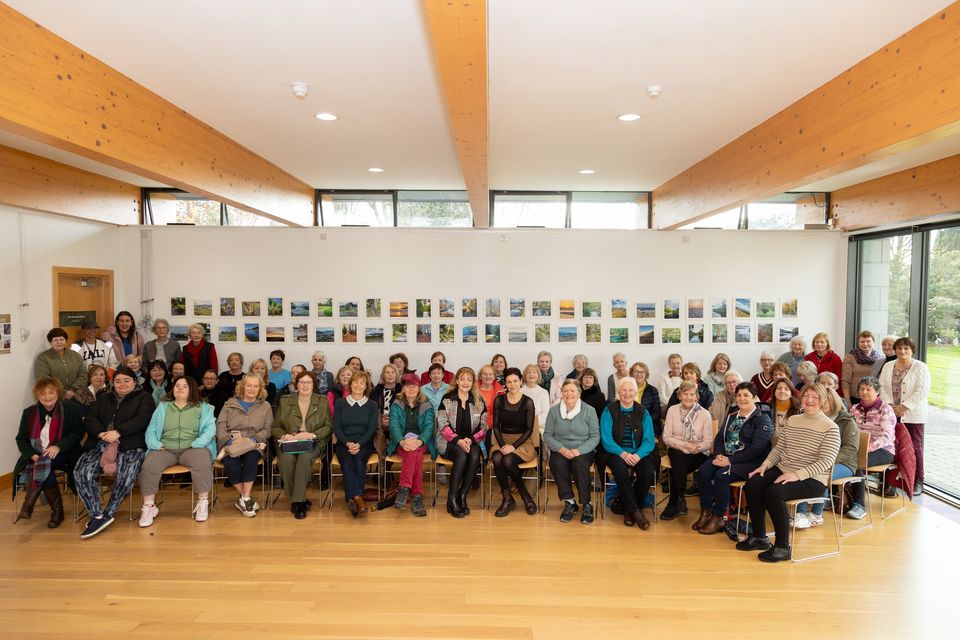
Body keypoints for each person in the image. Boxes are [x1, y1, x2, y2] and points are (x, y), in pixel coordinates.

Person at [737, 383, 840, 563]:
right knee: (753, 483)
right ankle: (760, 537)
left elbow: (826, 461)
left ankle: (782, 547)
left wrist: (797, 475)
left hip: (813, 478)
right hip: (785, 469)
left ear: (823, 401)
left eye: (814, 397)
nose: (809, 400)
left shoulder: (830, 427)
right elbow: (779, 448)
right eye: (806, 396)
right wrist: (765, 465)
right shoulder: (793, 420)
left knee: (774, 492)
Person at [74, 366, 155, 539]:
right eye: (118, 381)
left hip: (130, 443)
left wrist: (118, 432)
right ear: (113, 383)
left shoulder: (145, 398)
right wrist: (101, 433)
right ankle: (96, 514)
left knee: (127, 475)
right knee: (81, 471)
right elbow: (90, 418)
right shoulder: (103, 398)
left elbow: (143, 419)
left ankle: (108, 512)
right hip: (101, 442)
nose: (122, 384)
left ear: (135, 381)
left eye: (126, 380)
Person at [693, 382, 772, 536]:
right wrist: (718, 455)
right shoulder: (732, 415)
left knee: (721, 476)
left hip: (749, 462)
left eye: (746, 395)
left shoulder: (762, 419)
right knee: (703, 472)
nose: (742, 398)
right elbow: (719, 439)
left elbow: (757, 448)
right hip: (725, 458)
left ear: (754, 397)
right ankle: (706, 511)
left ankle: (719, 517)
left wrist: (730, 461)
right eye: (739, 395)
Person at [138, 376, 216, 526]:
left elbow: (210, 429)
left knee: (203, 462)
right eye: (177, 385)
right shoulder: (163, 407)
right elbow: (151, 429)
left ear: (191, 389)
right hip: (165, 448)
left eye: (184, 386)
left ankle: (202, 503)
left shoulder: (203, 407)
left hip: (193, 447)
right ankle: (149, 507)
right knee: (149, 466)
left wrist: (197, 443)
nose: (179, 388)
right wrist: (155, 444)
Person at [14, 377, 84, 528]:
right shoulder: (29, 413)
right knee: (44, 465)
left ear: (57, 392)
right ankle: (57, 511)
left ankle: (29, 507)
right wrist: (32, 455)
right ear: (37, 396)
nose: (47, 397)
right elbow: (21, 439)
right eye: (42, 394)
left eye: (50, 392)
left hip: (66, 452)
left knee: (43, 464)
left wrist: (58, 446)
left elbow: (77, 433)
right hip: (37, 454)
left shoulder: (71, 409)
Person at [795, 387, 858, 528]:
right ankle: (801, 513)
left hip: (845, 463)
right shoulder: (813, 418)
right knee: (802, 471)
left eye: (826, 401)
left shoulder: (847, 420)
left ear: (834, 401)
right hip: (817, 460)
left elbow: (851, 449)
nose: (822, 404)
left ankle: (817, 514)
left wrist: (827, 461)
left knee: (820, 472)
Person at [597, 377, 656, 529]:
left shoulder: (643, 412)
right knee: (620, 470)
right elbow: (606, 439)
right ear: (618, 392)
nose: (627, 393)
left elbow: (649, 440)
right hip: (615, 452)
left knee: (648, 472)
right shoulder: (609, 410)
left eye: (631, 390)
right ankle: (637, 512)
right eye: (624, 390)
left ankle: (629, 510)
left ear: (635, 392)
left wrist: (638, 455)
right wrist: (622, 454)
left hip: (639, 452)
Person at [272, 370, 332, 519]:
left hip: (312, 441)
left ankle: (296, 502)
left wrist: (311, 434)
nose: (305, 385)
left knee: (304, 458)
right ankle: (299, 499)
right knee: (286, 460)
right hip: (289, 441)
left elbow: (328, 427)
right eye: (302, 382)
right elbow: (275, 427)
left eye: (309, 382)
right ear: (296, 384)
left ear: (314, 384)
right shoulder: (286, 400)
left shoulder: (322, 401)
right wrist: (283, 435)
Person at [879, 337, 930, 495]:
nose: (902, 351)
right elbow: (881, 386)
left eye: (906, 349)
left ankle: (917, 481)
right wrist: (891, 406)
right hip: (892, 412)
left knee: (914, 447)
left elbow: (922, 390)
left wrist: (904, 407)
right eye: (899, 348)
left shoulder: (920, 367)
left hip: (913, 414)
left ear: (912, 350)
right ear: (895, 350)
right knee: (892, 447)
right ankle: (892, 482)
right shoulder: (888, 366)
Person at [544, 378, 600, 524]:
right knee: (556, 462)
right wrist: (561, 449)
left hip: (583, 450)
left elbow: (595, 437)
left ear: (579, 393)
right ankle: (570, 502)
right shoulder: (554, 411)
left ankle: (586, 503)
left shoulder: (589, 410)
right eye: (565, 391)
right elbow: (548, 435)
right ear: (561, 393)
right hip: (560, 449)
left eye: (572, 390)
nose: (569, 394)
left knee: (579, 464)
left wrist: (579, 450)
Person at [216, 373, 272, 517]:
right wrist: (229, 441)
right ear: (242, 386)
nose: (252, 389)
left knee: (250, 459)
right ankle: (245, 498)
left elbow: (268, 428)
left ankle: (245, 497)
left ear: (260, 388)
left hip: (253, 443)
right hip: (230, 444)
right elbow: (220, 426)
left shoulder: (265, 406)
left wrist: (253, 440)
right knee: (231, 462)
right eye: (249, 385)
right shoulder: (229, 404)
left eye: (256, 386)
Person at [436, 367, 487, 518]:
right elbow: (442, 425)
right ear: (457, 381)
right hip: (449, 441)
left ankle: (462, 495)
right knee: (462, 456)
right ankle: (451, 499)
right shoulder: (447, 399)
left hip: (471, 441)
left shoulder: (478, 400)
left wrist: (470, 440)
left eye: (469, 380)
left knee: (474, 456)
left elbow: (484, 427)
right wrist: (458, 441)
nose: (466, 382)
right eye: (462, 379)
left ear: (473, 383)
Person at [660, 380, 713, 521]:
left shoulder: (705, 414)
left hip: (698, 453)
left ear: (696, 396)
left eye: (692, 394)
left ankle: (674, 502)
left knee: (677, 464)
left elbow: (708, 442)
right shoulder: (672, 410)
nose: (689, 397)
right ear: (679, 396)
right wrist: (685, 445)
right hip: (678, 450)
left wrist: (694, 448)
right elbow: (666, 437)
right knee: (677, 456)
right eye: (685, 394)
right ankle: (679, 499)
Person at [491, 368, 538, 517]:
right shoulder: (499, 400)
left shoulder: (528, 402)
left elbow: (529, 430)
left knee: (508, 460)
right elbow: (496, 426)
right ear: (505, 383)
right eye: (509, 382)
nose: (512, 385)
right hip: (502, 439)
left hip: (522, 442)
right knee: (497, 457)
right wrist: (503, 444)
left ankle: (525, 496)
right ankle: (507, 498)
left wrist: (513, 446)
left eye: (515, 381)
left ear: (521, 382)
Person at [388, 373, 435, 517]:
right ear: (403, 388)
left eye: (414, 386)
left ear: (419, 388)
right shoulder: (396, 404)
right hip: (402, 441)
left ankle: (404, 489)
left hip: (421, 441)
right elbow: (393, 425)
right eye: (408, 386)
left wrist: (419, 441)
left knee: (415, 451)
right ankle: (417, 497)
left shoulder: (426, 404)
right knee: (414, 454)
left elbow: (429, 426)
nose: (411, 389)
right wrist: (402, 441)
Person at [332, 369, 378, 517]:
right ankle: (359, 498)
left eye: (362, 383)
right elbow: (337, 428)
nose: (358, 385)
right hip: (343, 442)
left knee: (359, 461)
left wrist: (358, 444)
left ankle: (354, 497)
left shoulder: (372, 404)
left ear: (366, 386)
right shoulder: (340, 403)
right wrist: (347, 443)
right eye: (355, 382)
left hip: (364, 442)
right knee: (346, 462)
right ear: (350, 385)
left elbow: (371, 429)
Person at [849, 376, 897, 516]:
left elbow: (887, 435)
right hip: (858, 447)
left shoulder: (885, 409)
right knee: (839, 458)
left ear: (877, 391)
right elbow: (850, 430)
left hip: (883, 450)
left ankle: (859, 506)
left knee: (857, 463)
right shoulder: (855, 408)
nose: (864, 392)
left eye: (868, 389)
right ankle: (836, 498)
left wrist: (870, 446)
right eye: (862, 389)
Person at [35, 328, 87, 400]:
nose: (59, 342)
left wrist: (73, 389)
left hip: (77, 395)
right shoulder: (43, 358)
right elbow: (44, 379)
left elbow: (83, 374)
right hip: (55, 398)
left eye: (62, 339)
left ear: (65, 341)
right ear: (50, 342)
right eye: (55, 340)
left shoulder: (75, 355)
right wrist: (63, 393)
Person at [842, 330, 882, 406]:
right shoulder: (850, 357)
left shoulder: (880, 358)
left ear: (873, 342)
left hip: (873, 398)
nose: (865, 344)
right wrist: (847, 401)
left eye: (868, 341)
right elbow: (845, 380)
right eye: (862, 342)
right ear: (858, 343)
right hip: (854, 398)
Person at [371, 364, 401, 457]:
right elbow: (373, 409)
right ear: (383, 376)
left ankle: (385, 462)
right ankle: (382, 461)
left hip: (396, 422)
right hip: (379, 422)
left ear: (396, 375)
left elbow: (403, 411)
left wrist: (391, 420)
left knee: (394, 431)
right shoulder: (376, 390)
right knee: (377, 433)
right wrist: (381, 420)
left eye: (393, 372)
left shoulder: (402, 390)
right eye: (387, 372)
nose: (390, 375)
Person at [521, 364, 550, 436]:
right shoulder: (519, 391)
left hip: (539, 426)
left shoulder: (543, 392)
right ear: (525, 375)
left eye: (534, 372)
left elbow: (546, 413)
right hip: (521, 426)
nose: (531, 375)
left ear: (538, 375)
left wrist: (533, 423)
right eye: (529, 372)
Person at [477, 364, 505, 437]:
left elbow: (501, 412)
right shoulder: (473, 391)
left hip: (494, 426)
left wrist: (490, 425)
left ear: (494, 376)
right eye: (485, 374)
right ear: (480, 376)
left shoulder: (500, 392)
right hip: (476, 426)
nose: (488, 376)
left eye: (490, 374)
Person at [630, 362, 662, 427]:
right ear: (632, 373)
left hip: (647, 425)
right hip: (629, 424)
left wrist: (644, 422)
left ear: (646, 374)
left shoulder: (653, 390)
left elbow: (657, 414)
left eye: (642, 372)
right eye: (636, 371)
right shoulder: (627, 389)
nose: (639, 374)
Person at [770, 378, 800, 446]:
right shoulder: (767, 409)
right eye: (779, 388)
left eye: (786, 389)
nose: (782, 391)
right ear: (774, 392)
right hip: (768, 451)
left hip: (791, 450)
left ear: (791, 393)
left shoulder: (799, 410)